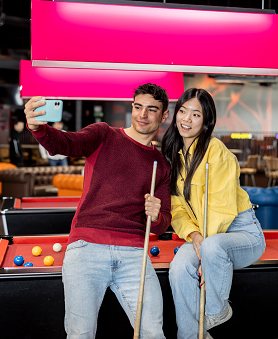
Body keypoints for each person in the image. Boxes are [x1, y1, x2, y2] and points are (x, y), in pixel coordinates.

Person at [23, 83, 171, 339]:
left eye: (151, 109)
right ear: (132, 107)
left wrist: (157, 215)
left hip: (135, 254)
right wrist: (39, 129)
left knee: (152, 332)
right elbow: (66, 143)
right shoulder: (104, 134)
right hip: (86, 249)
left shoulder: (162, 164)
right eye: (138, 107)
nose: (142, 115)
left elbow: (162, 224)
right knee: (80, 334)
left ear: (164, 115)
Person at [161, 88, 266, 339]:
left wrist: (206, 251)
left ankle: (217, 311)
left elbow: (219, 209)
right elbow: (176, 208)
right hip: (204, 235)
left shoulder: (215, 151)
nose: (186, 119)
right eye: (183, 111)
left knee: (211, 248)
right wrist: (194, 235)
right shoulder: (174, 154)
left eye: (195, 114)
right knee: (179, 268)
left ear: (206, 121)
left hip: (241, 233)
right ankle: (192, 336)